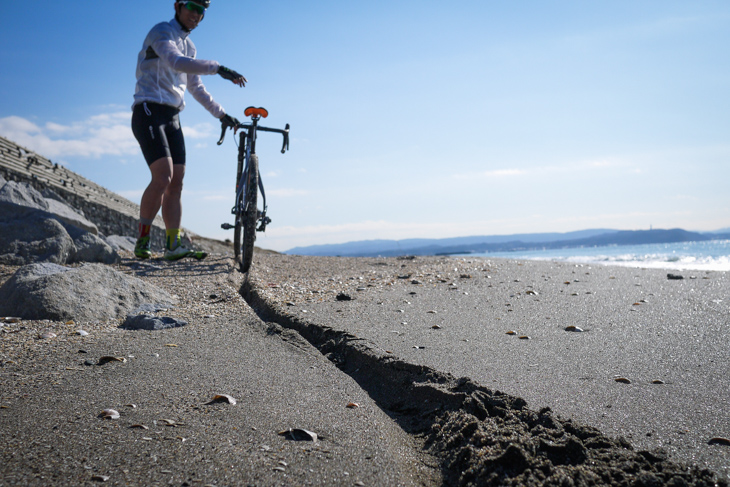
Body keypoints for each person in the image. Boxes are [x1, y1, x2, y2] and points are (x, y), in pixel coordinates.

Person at [131, 0, 245, 260]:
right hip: (148, 110)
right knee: (163, 177)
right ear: (178, 6)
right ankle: (143, 239)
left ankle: (173, 245)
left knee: (177, 183)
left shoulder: (190, 46)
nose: (196, 14)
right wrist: (218, 68)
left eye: (201, 11)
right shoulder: (162, 32)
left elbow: (196, 88)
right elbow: (175, 61)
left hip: (172, 115)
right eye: (192, 7)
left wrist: (222, 114)